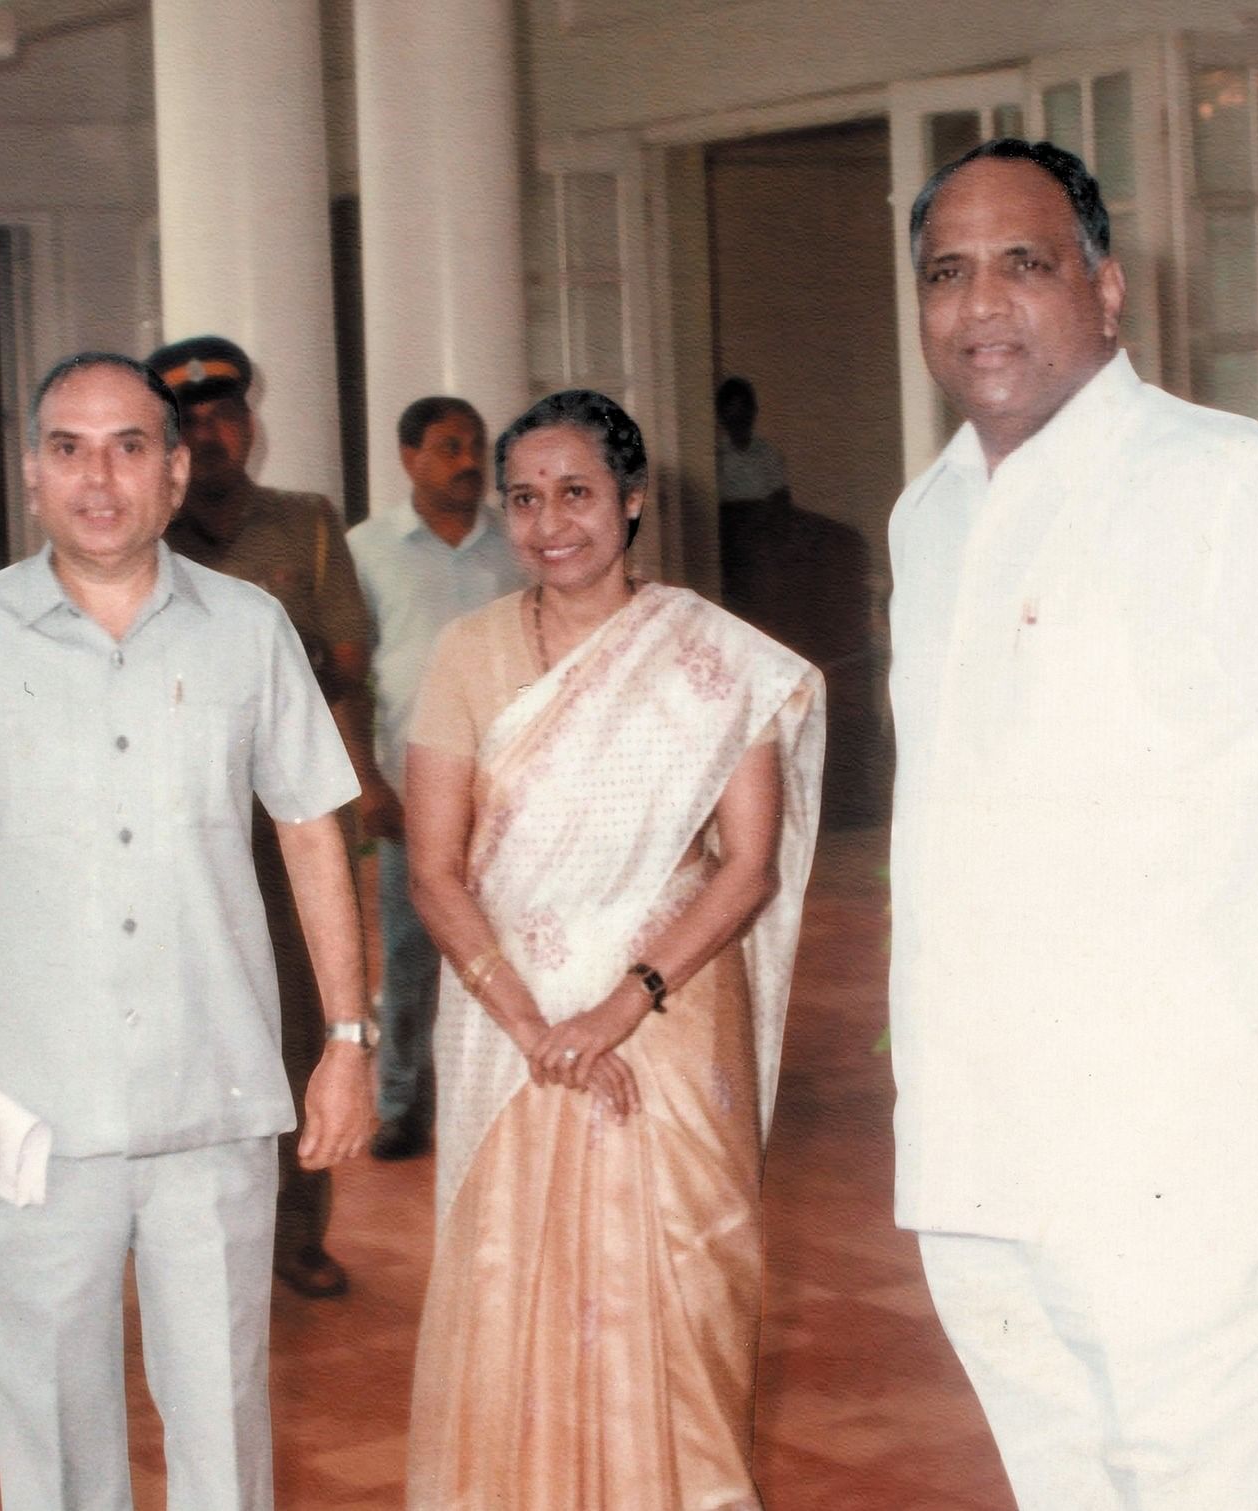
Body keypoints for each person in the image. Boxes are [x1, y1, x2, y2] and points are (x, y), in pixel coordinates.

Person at [889, 138, 1258, 1508]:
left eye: (1023, 264)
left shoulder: (1228, 488)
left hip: (1204, 1151)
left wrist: (1219, 966)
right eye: (946, 272)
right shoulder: (930, 519)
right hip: (986, 1146)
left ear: (1108, 289)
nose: (982, 305)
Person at [0, 352, 375, 1510]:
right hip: (25, 1104)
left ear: (178, 469)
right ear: (32, 473)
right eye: (68, 446)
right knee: (45, 1423)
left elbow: (310, 832)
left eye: (130, 445)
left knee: (222, 1421)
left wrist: (345, 1034)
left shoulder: (251, 630)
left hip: (214, 1093)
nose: (99, 476)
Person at [401, 389, 825, 1509]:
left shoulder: (714, 659)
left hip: (672, 1007)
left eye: (577, 492)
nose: (549, 522)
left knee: (680, 1295)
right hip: (512, 1022)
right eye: (525, 497)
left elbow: (747, 863)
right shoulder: (466, 653)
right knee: (514, 1295)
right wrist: (534, 1021)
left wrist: (618, 1007)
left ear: (633, 499)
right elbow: (433, 868)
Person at [149, 332, 375, 1300]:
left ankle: (296, 1230)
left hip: (280, 818)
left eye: (223, 415)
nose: (210, 434)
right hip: (172, 822)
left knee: (293, 1019)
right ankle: (183, 1235)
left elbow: (346, 662)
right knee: (175, 1025)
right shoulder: (141, 536)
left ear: (250, 424)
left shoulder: (305, 525)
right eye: (189, 422)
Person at [347, 396, 523, 1160]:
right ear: (408, 456)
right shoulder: (367, 550)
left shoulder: (514, 545)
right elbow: (350, 679)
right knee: (414, 951)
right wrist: (367, 783)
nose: (467, 461)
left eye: (475, 446)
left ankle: (507, 1098)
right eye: (448, 446)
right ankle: (400, 1103)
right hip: (412, 788)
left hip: (511, 785)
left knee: (512, 942)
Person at [714, 376, 789, 612]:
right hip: (730, 529)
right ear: (722, 416)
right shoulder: (715, 456)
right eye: (732, 411)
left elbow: (782, 498)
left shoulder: (767, 453)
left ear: (753, 412)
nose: (739, 418)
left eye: (744, 410)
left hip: (762, 526)